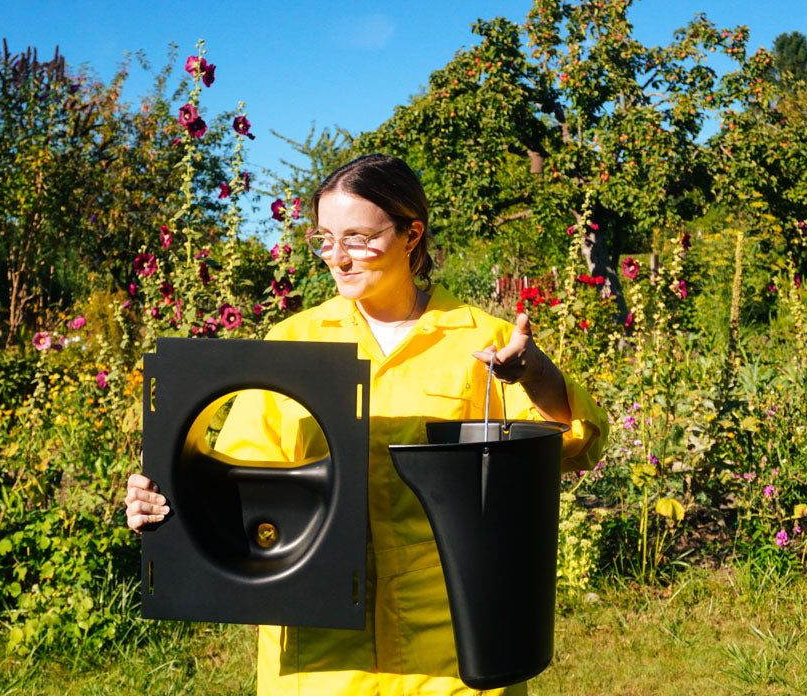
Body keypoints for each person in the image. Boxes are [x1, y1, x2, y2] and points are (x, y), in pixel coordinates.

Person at [125, 153, 608, 695]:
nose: (338, 257)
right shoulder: (292, 345)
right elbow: (239, 479)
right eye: (324, 239)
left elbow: (575, 445)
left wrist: (534, 373)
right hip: (319, 642)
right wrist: (164, 502)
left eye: (358, 237)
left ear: (410, 234)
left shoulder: (480, 342)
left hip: (451, 635)